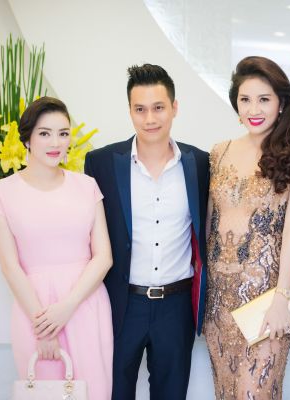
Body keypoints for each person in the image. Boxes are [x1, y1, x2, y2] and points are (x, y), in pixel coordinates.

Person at [84, 64, 209, 400]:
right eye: (140, 109)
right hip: (120, 303)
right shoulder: (101, 163)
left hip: (176, 306)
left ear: (174, 107)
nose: (150, 118)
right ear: (129, 111)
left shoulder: (200, 163)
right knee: (113, 393)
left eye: (158, 107)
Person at [0, 96, 113, 399]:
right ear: (27, 138)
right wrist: (44, 327)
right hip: (34, 312)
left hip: (86, 304)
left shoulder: (87, 186)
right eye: (44, 133)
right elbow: (10, 267)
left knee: (95, 390)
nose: (56, 142)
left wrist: (68, 306)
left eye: (63, 133)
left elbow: (103, 257)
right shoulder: (1, 193)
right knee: (43, 390)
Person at [203, 56, 290, 400]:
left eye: (264, 99)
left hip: (267, 300)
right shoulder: (219, 152)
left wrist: (282, 298)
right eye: (245, 99)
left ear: (281, 103)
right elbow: (209, 227)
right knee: (226, 393)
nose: (254, 109)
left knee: (256, 394)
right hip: (218, 302)